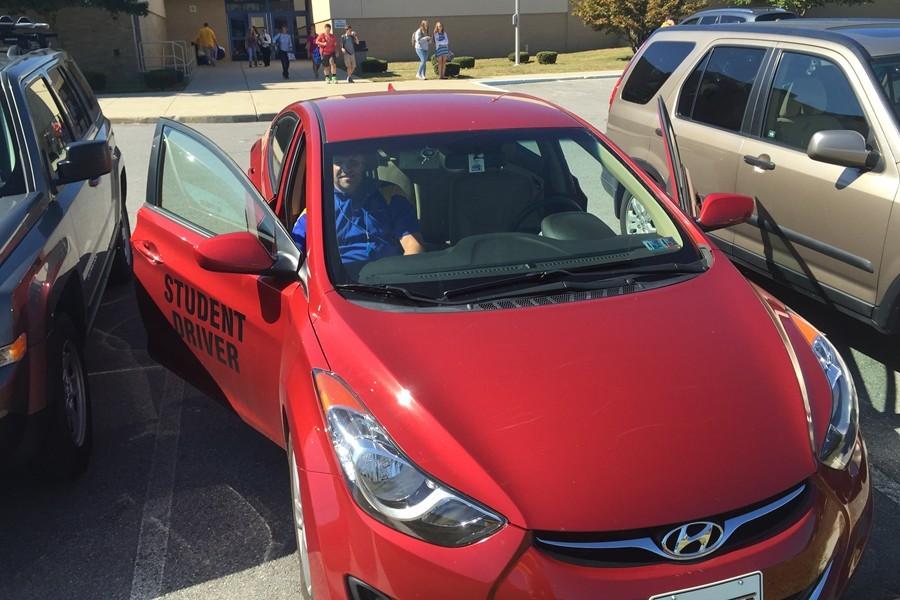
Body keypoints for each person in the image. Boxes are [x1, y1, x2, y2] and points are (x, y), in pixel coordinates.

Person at [292, 153, 425, 263]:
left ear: (364, 165)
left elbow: (414, 246)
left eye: (353, 162)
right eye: (339, 162)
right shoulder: (317, 205)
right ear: (328, 167)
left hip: (389, 279)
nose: (347, 168)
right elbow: (293, 257)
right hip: (337, 284)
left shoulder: (390, 193)